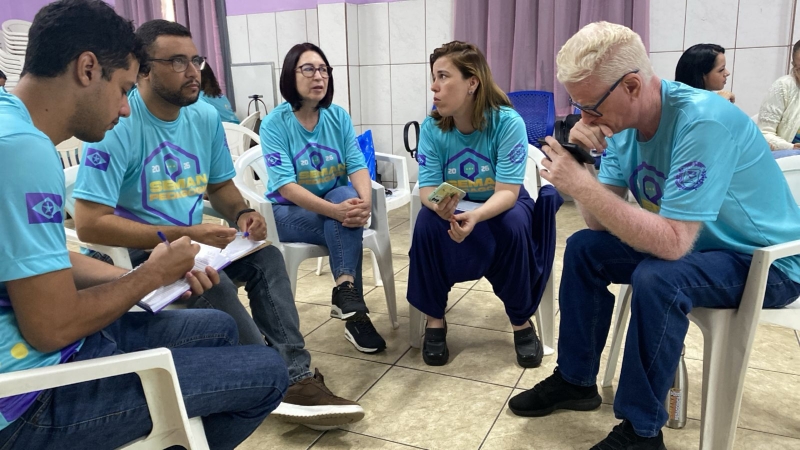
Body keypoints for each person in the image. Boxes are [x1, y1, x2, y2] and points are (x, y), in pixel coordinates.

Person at [0, 1, 288, 448]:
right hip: (27, 396)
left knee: (218, 327)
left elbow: (38, 261)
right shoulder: (24, 151)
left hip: (42, 347)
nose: (125, 108)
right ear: (87, 69)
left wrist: (148, 277)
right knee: (268, 373)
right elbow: (51, 327)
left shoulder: (10, 122)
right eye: (122, 89)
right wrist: (149, 276)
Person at [509, 21, 800, 450]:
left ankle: (641, 432)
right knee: (585, 249)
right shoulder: (621, 126)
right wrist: (584, 165)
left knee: (658, 278)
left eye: (591, 107)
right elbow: (597, 223)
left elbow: (673, 244)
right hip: (697, 246)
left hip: (765, 260)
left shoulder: (703, 122)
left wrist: (581, 186)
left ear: (631, 86)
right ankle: (576, 379)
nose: (584, 118)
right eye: (578, 105)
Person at [72, 21, 364, 428]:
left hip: (192, 244)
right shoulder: (117, 123)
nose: (194, 71)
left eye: (196, 60)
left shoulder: (204, 116)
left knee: (267, 261)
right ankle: (269, 378)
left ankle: (292, 376)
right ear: (143, 69)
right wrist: (188, 235)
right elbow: (89, 225)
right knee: (215, 283)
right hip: (137, 253)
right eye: (178, 62)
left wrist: (242, 214)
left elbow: (221, 186)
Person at [407, 41, 561, 367]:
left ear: (472, 82)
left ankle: (520, 320)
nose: (433, 87)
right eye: (433, 77)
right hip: (455, 205)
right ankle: (435, 319)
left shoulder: (507, 122)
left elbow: (507, 193)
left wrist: (475, 216)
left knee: (514, 225)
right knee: (426, 225)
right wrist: (439, 207)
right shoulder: (432, 127)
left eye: (443, 76)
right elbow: (428, 188)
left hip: (500, 202)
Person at [260, 42, 387, 354]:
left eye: (323, 70)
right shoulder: (275, 123)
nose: (319, 76)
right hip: (286, 212)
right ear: (290, 75)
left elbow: (356, 164)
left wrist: (364, 203)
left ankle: (346, 291)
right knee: (345, 221)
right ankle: (355, 315)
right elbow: (286, 187)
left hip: (334, 201)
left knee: (348, 200)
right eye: (308, 69)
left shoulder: (337, 116)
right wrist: (338, 212)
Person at [758, 40, 800, 150]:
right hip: (789, 157)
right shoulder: (784, 86)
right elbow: (764, 133)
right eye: (799, 69)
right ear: (793, 66)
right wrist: (791, 148)